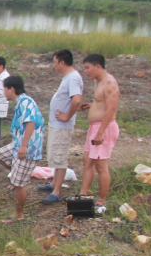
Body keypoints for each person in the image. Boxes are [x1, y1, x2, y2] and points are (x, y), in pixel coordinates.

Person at [0, 76, 45, 222]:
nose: (4, 92)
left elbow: (31, 123)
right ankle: (18, 174)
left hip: (27, 148)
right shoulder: (21, 102)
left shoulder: (26, 102)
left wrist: (23, 146)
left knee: (19, 184)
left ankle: (19, 214)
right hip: (18, 144)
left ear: (12, 89)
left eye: (5, 89)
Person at [39, 49, 84, 205]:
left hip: (62, 126)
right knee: (55, 156)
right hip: (56, 124)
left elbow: (76, 100)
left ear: (62, 62)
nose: (54, 65)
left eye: (55, 62)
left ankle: (57, 191)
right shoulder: (68, 77)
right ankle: (53, 184)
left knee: (60, 157)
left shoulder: (72, 78)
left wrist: (67, 115)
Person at [77, 54, 120, 213]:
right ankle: (83, 195)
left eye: (87, 68)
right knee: (87, 160)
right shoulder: (99, 82)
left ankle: (102, 201)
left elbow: (111, 109)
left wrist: (100, 133)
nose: (86, 71)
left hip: (104, 128)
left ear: (98, 66)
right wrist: (93, 105)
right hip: (94, 127)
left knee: (101, 166)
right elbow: (102, 103)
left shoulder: (109, 83)